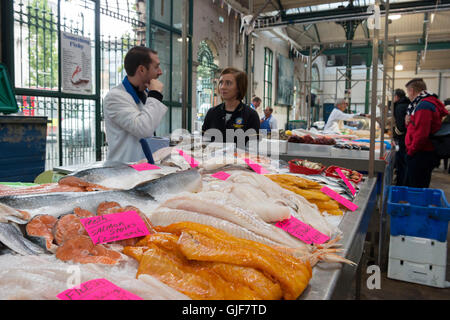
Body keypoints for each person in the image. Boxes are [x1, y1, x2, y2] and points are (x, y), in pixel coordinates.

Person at [103, 46, 167, 163]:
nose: (160, 72)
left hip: (141, 168)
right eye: (156, 67)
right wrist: (155, 94)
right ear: (142, 70)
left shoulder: (145, 94)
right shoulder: (115, 97)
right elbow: (143, 129)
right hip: (123, 172)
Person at [404, 78, 448, 188]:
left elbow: (421, 135)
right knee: (418, 184)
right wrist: (407, 122)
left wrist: (411, 151)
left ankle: (415, 204)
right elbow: (415, 127)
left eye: (408, 92)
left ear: (412, 91)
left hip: (421, 153)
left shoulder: (424, 106)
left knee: (417, 187)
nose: (408, 95)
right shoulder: (422, 104)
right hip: (421, 152)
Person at [202, 67, 260, 147]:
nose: (222, 87)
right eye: (221, 83)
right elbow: (204, 142)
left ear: (239, 88)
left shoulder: (251, 115)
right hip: (213, 158)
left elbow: (253, 148)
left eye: (228, 83)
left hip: (239, 159)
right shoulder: (212, 113)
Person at [392, 89, 411, 186]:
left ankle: (400, 184)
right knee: (405, 162)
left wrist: (395, 135)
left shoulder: (399, 107)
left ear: (396, 96)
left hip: (402, 139)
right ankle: (403, 182)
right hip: (408, 138)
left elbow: (400, 126)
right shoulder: (407, 104)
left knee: (401, 163)